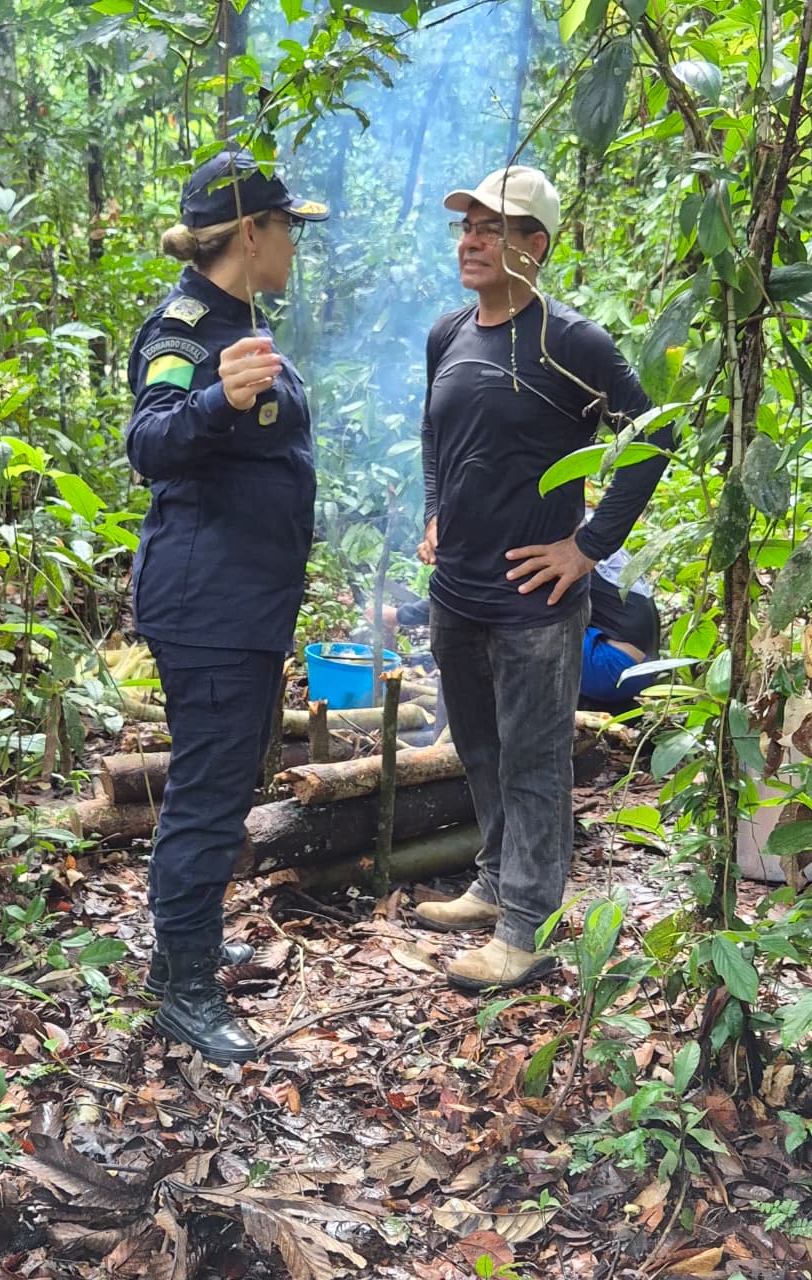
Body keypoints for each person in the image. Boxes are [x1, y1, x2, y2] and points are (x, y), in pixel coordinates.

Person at [412, 165, 673, 991]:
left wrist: (588, 545)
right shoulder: (449, 333)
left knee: (534, 757)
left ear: (536, 245)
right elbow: (435, 434)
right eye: (467, 227)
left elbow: (652, 438)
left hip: (536, 600)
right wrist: (434, 511)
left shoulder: (572, 342)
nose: (472, 241)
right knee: (479, 745)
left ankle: (527, 929)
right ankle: (496, 883)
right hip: (456, 592)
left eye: (492, 229)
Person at [125, 147, 328, 1065]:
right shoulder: (182, 330)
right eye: (287, 227)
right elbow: (149, 442)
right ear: (251, 231)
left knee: (220, 783)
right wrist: (214, 400)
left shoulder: (242, 317)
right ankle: (185, 990)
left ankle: (185, 946)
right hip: (206, 607)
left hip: (242, 606)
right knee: (207, 799)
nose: (294, 244)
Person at [373, 547, 661, 714]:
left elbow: (473, 594)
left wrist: (396, 616)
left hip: (611, 666)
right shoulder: (585, 525)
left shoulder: (541, 532)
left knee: (497, 622)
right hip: (645, 669)